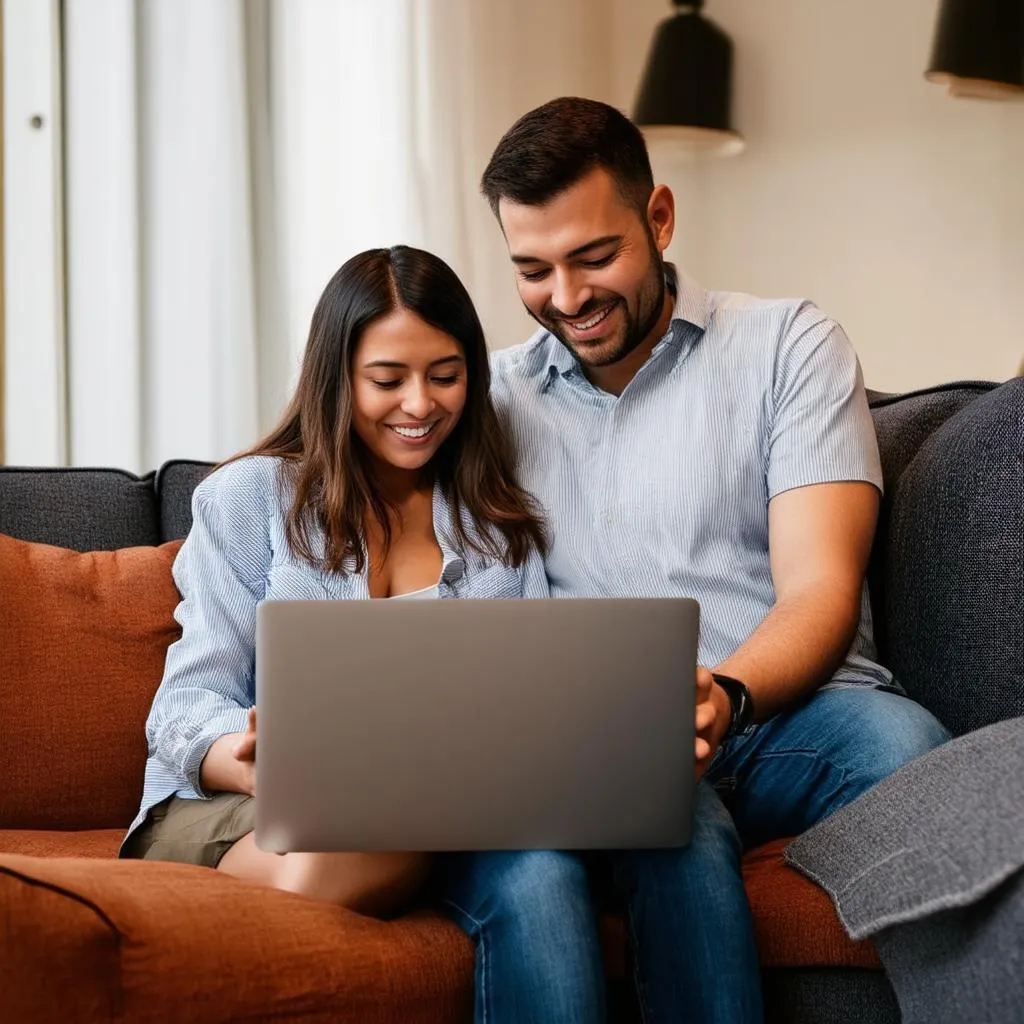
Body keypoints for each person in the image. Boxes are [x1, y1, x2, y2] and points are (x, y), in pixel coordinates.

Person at [430, 97, 952, 1022]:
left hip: (789, 715)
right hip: (608, 742)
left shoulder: (787, 344)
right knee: (670, 815)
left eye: (595, 257)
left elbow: (822, 589)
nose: (568, 297)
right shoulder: (494, 400)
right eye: (533, 270)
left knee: (911, 750)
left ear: (659, 218)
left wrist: (726, 693)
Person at [121, 245, 548, 918]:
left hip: (429, 816)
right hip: (237, 808)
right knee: (349, 849)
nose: (420, 404)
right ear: (338, 379)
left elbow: (535, 707)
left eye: (445, 375)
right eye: (387, 380)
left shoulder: (499, 531)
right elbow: (185, 705)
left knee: (427, 836)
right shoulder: (248, 497)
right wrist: (251, 758)